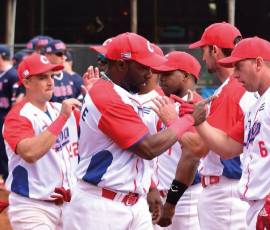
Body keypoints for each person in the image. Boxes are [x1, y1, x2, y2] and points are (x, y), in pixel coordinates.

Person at [169, 36, 270, 229]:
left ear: (258, 63)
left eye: (239, 67)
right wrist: (199, 122)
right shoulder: (256, 106)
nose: (235, 74)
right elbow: (227, 146)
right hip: (261, 205)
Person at [62, 32, 196, 230]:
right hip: (101, 206)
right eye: (143, 67)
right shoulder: (105, 95)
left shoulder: (124, 95)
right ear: (122, 65)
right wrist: (189, 119)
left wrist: (149, 187)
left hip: (135, 203)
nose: (150, 74)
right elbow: (147, 148)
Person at [170, 22, 258, 230]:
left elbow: (200, 148)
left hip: (226, 190)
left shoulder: (230, 91)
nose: (203, 57)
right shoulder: (242, 88)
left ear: (215, 50)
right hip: (235, 186)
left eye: (204, 50)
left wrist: (171, 120)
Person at [2, 53, 81, 229]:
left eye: (51, 76)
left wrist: (93, 95)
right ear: (27, 82)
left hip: (70, 206)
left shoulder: (60, 109)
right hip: (32, 207)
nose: (50, 81)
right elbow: (30, 153)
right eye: (42, 77)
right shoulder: (18, 117)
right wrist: (62, 118)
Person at [151, 51, 205, 229]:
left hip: (184, 197)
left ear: (186, 76)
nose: (161, 78)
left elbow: (192, 158)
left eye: (168, 73)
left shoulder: (199, 109)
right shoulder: (162, 102)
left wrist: (171, 203)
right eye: (160, 73)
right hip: (155, 196)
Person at [0, 45, 19, 187]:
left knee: (6, 155)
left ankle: (9, 183)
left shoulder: (13, 75)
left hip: (7, 120)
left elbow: (17, 102)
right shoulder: (3, 74)